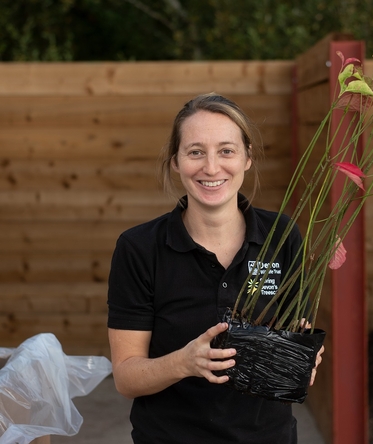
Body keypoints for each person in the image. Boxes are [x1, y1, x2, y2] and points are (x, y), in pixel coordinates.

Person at [107, 93, 324, 444]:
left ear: (247, 158)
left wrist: (300, 357)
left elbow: (290, 336)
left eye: (226, 150)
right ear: (175, 161)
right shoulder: (139, 248)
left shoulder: (282, 235)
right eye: (195, 152)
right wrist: (185, 362)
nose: (211, 167)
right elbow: (126, 378)